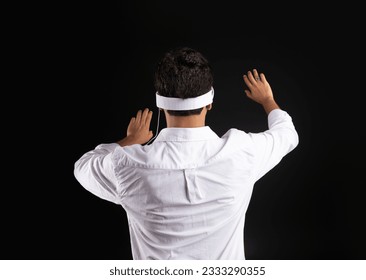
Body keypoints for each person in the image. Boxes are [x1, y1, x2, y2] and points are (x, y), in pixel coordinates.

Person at [74, 47, 299, 260]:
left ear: (160, 105)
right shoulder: (243, 152)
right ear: (209, 103)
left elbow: (83, 167)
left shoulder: (127, 165)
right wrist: (268, 100)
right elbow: (287, 134)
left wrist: (129, 140)